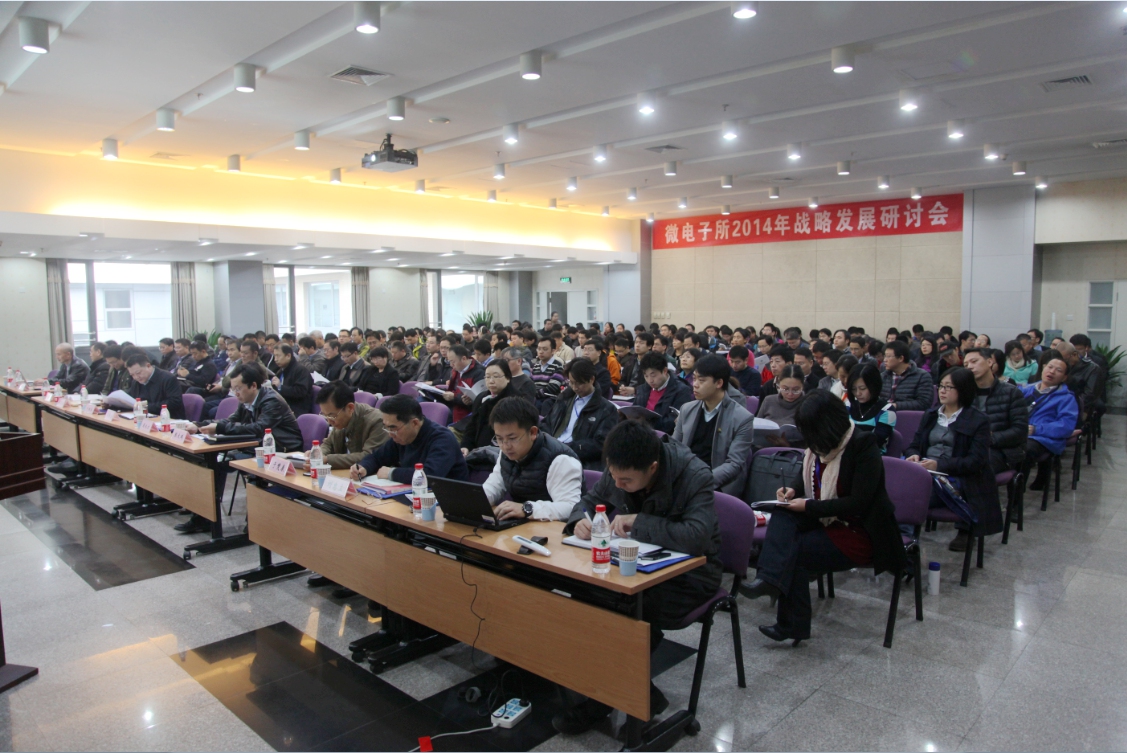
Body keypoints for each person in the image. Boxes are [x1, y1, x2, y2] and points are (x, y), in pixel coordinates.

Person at [555, 420, 720, 735]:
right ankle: (640, 696)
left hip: (691, 578)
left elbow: (697, 537)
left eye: (626, 481)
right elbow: (589, 501)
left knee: (627, 611)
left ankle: (614, 702)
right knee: (589, 599)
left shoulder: (694, 474)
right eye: (613, 476)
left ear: (653, 468)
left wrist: (639, 522)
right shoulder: (620, 465)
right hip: (634, 569)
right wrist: (580, 520)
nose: (617, 485)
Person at [738, 391, 906, 644]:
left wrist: (808, 506)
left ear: (827, 426)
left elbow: (858, 503)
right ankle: (770, 582)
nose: (809, 439)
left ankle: (787, 618)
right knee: (782, 513)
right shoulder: (820, 445)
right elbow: (808, 475)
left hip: (858, 529)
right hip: (824, 517)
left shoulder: (863, 446)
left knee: (794, 552)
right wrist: (793, 490)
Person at [183, 360, 302, 533]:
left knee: (239, 468)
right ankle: (204, 517)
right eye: (233, 389)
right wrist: (200, 424)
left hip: (280, 450)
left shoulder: (271, 400)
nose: (235, 393)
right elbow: (231, 420)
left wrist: (220, 428)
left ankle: (255, 525)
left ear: (253, 386)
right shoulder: (246, 399)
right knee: (212, 465)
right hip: (257, 447)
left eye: (238, 388)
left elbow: (259, 428)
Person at [905, 367, 1002, 551]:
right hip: (925, 472)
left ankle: (906, 543)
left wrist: (939, 465)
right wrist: (913, 454)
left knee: (910, 497)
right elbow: (914, 444)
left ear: (963, 390)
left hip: (957, 478)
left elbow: (975, 461)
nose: (942, 391)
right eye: (941, 386)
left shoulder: (978, 420)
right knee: (892, 489)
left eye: (949, 387)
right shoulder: (931, 415)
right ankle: (901, 540)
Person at [480, 397, 583, 522]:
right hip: (524, 525)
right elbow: (493, 487)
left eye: (512, 438)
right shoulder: (508, 453)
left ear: (533, 432)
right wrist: (475, 501)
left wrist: (527, 509)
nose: (505, 446)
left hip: (556, 529)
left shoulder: (560, 459)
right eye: (499, 439)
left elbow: (570, 507)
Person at [672, 355, 754, 495]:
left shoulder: (742, 418)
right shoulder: (687, 409)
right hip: (684, 478)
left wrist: (701, 480)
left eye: (701, 380)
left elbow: (734, 464)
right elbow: (674, 448)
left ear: (719, 383)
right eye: (694, 378)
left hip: (717, 484)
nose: (695, 384)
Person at [349, 394, 469, 483]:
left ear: (415, 423)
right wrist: (364, 467)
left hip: (445, 501)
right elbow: (377, 457)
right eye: (386, 427)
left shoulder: (443, 439)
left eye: (393, 428)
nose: (390, 434)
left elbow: (430, 475)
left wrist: (392, 473)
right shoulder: (401, 436)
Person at [957, 348, 1029, 476]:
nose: (970, 367)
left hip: (1001, 450)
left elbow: (1020, 430)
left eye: (974, 361)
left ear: (990, 362)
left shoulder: (1011, 392)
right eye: (966, 365)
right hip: (968, 447)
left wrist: (988, 438)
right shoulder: (963, 393)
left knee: (975, 465)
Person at [542, 358, 619, 471]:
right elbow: (546, 424)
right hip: (553, 452)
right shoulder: (564, 400)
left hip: (580, 459)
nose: (574, 387)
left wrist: (568, 448)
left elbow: (601, 443)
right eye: (571, 382)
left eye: (579, 383)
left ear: (591, 379)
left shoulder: (606, 409)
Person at [1021, 353, 1079, 491]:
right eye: (1050, 367)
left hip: (1043, 438)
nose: (1052, 372)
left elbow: (1065, 426)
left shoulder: (1066, 398)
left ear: (1064, 378)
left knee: (1024, 450)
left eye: (1058, 370)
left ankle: (1016, 496)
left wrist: (1036, 429)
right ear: (1043, 368)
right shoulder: (1025, 390)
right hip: (1020, 432)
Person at [308, 381, 389, 469]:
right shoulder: (340, 418)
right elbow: (328, 444)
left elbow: (369, 456)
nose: (329, 421)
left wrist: (327, 459)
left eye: (332, 415)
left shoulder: (377, 421)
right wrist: (318, 455)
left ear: (350, 408)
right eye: (325, 415)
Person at [460, 361, 519, 454]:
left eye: (496, 376)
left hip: (502, 452)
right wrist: (465, 446)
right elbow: (472, 426)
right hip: (476, 451)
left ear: (507, 378)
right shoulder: (481, 398)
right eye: (487, 377)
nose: (491, 381)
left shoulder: (516, 401)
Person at [633, 351, 693, 434]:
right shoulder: (643, 389)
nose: (650, 380)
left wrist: (646, 423)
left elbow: (672, 422)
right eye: (646, 376)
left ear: (665, 371)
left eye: (653, 375)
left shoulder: (681, 391)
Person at [847, 363, 896, 454]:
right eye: (853, 389)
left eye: (862, 388)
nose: (858, 393)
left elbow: (876, 442)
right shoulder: (848, 406)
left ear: (874, 386)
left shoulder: (887, 410)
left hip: (873, 457)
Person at [126, 352, 185, 419]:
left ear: (148, 366)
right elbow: (132, 398)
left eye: (138, 373)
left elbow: (174, 402)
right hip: (145, 417)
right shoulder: (136, 382)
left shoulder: (168, 378)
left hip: (168, 418)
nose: (136, 377)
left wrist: (146, 407)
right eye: (132, 375)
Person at [880, 340, 934, 411]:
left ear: (901, 358)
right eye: (885, 356)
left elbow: (924, 403)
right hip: (883, 414)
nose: (885, 360)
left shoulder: (922, 376)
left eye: (888, 356)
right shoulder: (883, 376)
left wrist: (895, 406)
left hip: (907, 415)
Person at [269, 343, 314, 416]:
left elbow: (300, 392)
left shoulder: (300, 370)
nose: (275, 359)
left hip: (297, 409)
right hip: (283, 407)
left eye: (278, 356)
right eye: (274, 356)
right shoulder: (281, 370)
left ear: (288, 356)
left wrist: (280, 387)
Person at [530, 335, 566, 403]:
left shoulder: (558, 366)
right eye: (539, 349)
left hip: (548, 401)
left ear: (553, 351)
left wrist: (534, 395)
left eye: (545, 349)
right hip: (534, 399)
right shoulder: (535, 366)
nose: (541, 352)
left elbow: (552, 388)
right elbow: (530, 385)